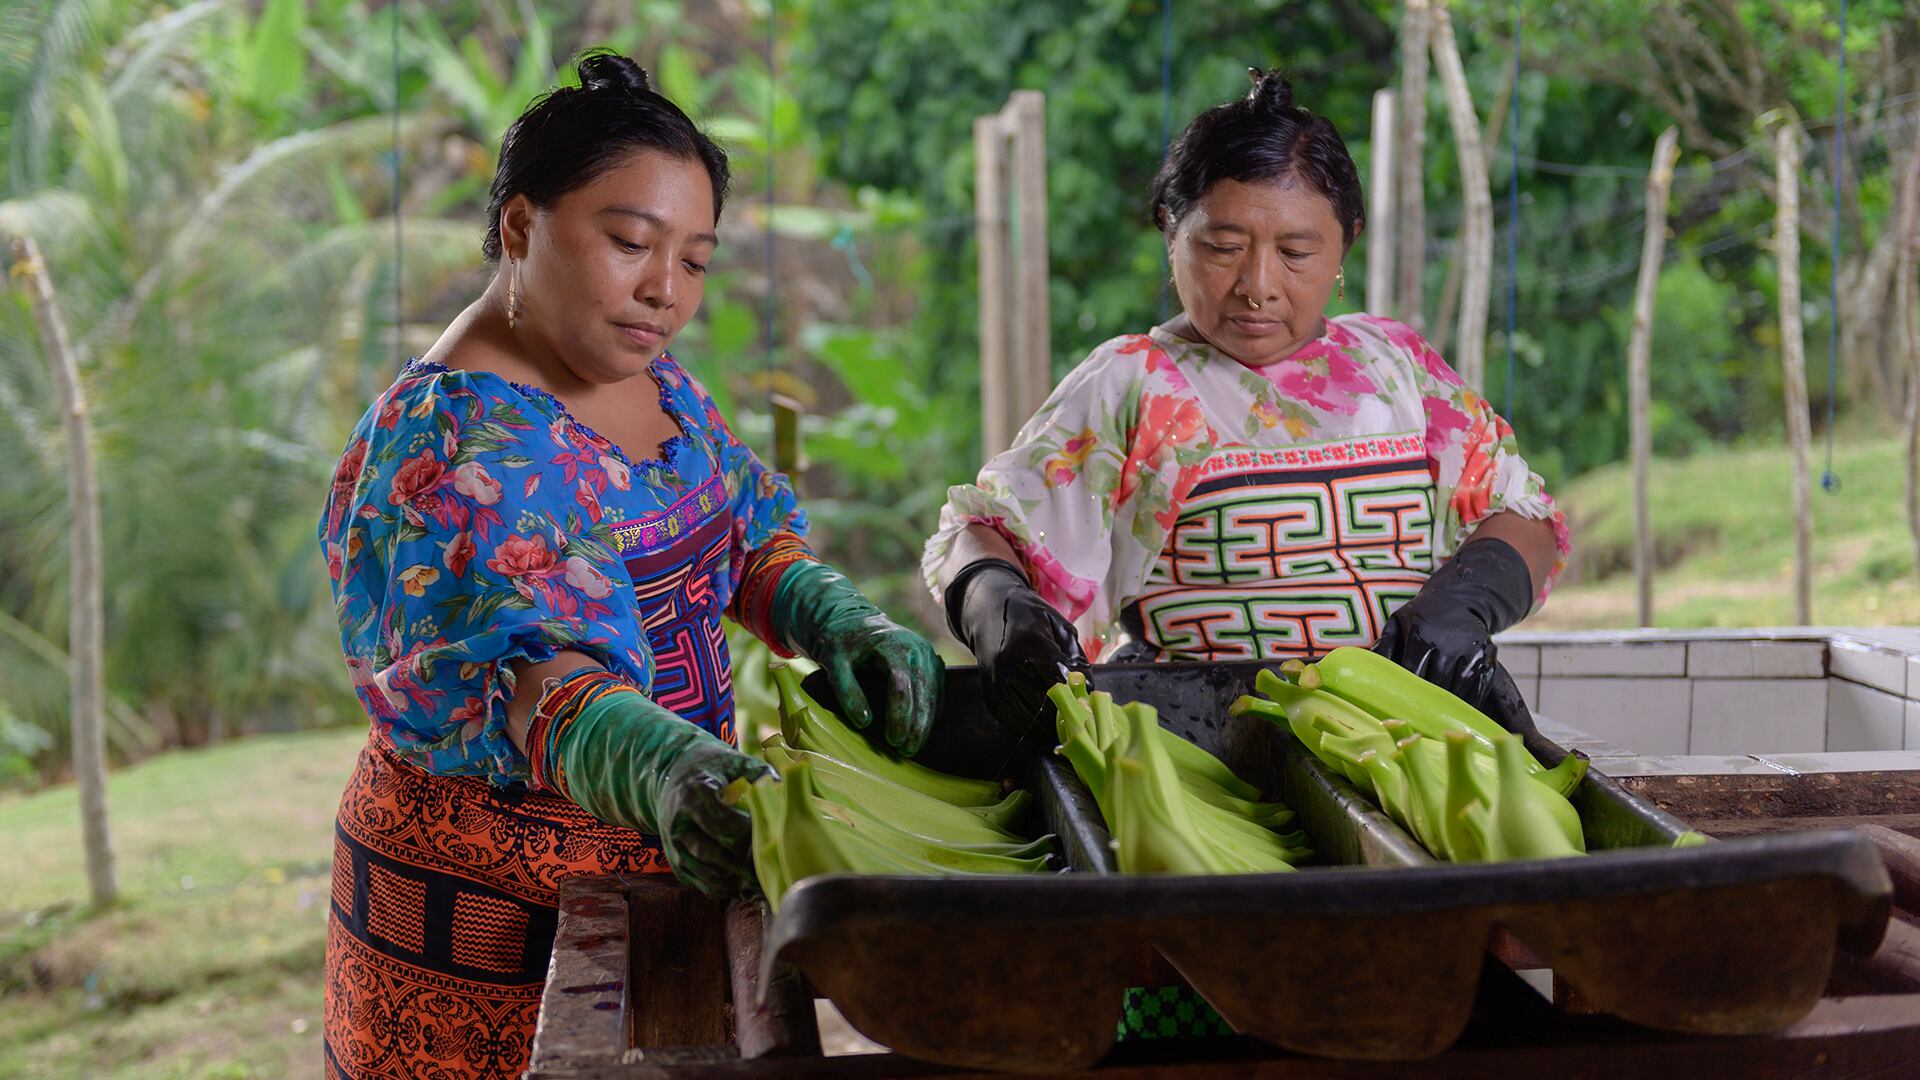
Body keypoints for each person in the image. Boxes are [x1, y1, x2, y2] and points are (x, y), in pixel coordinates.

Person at [318, 52, 941, 1080]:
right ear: (521, 226)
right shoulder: (452, 446)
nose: (665, 290)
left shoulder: (640, 371)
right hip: (484, 929)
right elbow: (533, 681)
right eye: (629, 242)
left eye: (694, 260)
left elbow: (739, 535)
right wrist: (655, 766)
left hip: (666, 871)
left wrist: (832, 616)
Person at [927, 67, 1567, 738]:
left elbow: (1524, 518)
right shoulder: (1134, 382)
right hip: (1197, 741)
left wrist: (1460, 608)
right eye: (1224, 247)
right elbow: (983, 533)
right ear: (1170, 231)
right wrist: (992, 600)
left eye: (1296, 251)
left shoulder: (1399, 366)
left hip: (1404, 734)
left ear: (1347, 240)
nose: (1258, 285)